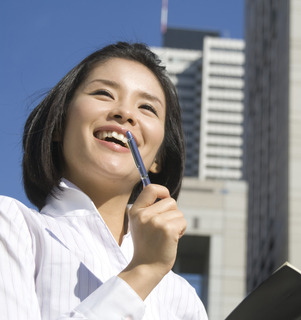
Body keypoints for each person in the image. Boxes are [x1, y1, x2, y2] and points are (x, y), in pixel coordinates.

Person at [0, 42, 208, 319]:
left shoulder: (182, 298)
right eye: (103, 93)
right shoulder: (12, 225)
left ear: (158, 158)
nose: (125, 113)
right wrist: (142, 271)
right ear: (59, 124)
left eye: (147, 107)